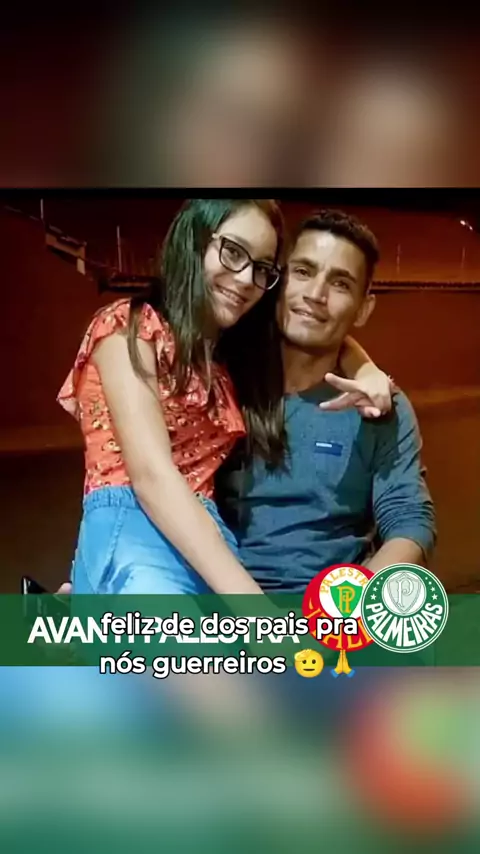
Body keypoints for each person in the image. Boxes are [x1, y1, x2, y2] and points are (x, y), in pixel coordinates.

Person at [57, 199, 393, 596]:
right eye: (233, 252)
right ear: (194, 241)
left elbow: (319, 329)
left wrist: (366, 369)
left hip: (205, 543)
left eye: (262, 268)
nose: (246, 279)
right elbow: (151, 477)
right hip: (137, 528)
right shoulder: (128, 328)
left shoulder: (222, 351)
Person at [216, 209, 436, 591]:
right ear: (278, 282)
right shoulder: (220, 385)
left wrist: (346, 604)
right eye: (303, 271)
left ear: (363, 309)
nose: (315, 295)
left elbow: (409, 520)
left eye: (340, 284)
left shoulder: (381, 407)